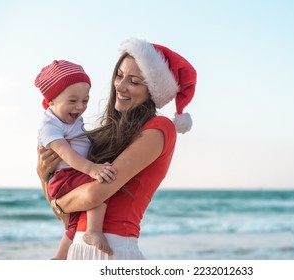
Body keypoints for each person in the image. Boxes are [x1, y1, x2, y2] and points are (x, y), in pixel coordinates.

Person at [37, 38, 197, 259]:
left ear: (152, 90)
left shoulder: (159, 128)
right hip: (80, 246)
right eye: (119, 75)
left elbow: (95, 194)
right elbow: (67, 208)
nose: (120, 86)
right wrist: (44, 175)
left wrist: (58, 205)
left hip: (113, 249)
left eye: (134, 81)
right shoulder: (104, 135)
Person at [35, 60, 116, 259]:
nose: (80, 107)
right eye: (72, 101)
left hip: (72, 174)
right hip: (64, 177)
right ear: (52, 100)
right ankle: (93, 231)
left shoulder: (71, 119)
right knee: (99, 185)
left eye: (85, 101)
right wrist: (92, 169)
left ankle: (60, 257)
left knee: (73, 223)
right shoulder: (49, 126)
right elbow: (66, 154)